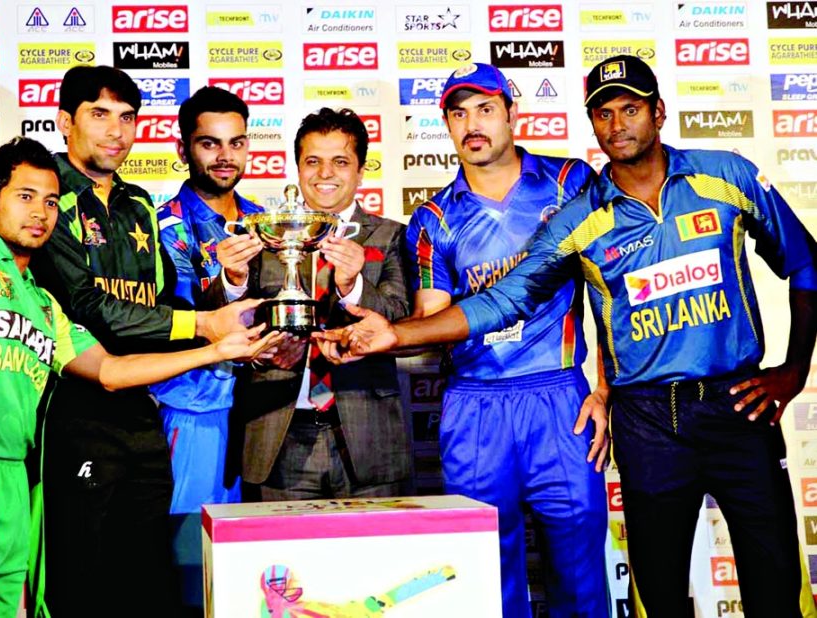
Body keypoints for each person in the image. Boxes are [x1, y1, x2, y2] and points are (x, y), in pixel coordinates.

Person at [318, 54, 817, 617]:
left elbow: (798, 265)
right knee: (606, 583)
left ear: (658, 112)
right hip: (571, 411)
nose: (618, 124)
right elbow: (502, 299)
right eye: (604, 113)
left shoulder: (656, 180)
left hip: (663, 401)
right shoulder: (504, 214)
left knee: (758, 583)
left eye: (630, 108)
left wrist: (792, 369)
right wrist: (393, 333)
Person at [0, 137, 277, 618]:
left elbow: (112, 371)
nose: (40, 212)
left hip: (16, 478)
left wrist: (215, 349)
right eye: (25, 196)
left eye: (52, 201)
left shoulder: (41, 300)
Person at [28, 66, 257, 615]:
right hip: (74, 409)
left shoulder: (136, 206)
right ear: (65, 122)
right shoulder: (49, 199)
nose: (115, 131)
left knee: (150, 578)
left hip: (141, 410)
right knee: (82, 580)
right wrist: (204, 326)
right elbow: (91, 308)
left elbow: (160, 305)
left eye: (127, 117)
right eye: (99, 115)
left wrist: (224, 304)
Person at [401, 62, 608, 617]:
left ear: (513, 113)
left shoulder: (570, 184)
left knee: (582, 570)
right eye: (459, 113)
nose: (473, 124)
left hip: (560, 397)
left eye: (486, 109)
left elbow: (616, 292)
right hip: (475, 404)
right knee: (484, 577)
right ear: (446, 124)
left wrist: (605, 391)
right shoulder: (432, 218)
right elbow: (433, 319)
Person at [216, 108, 412, 500]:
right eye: (313, 162)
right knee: (283, 562)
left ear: (360, 171)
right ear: (297, 167)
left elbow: (403, 323)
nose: (325, 174)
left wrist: (353, 285)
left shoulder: (391, 236)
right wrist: (234, 281)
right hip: (279, 434)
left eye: (340, 161)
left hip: (367, 437)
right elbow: (224, 330)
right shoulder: (265, 233)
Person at [152, 85, 264, 612]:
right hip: (194, 407)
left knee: (249, 568)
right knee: (190, 558)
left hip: (264, 413)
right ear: (183, 150)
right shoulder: (161, 224)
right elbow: (170, 319)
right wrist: (224, 277)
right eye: (210, 144)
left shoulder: (266, 219)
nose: (225, 157)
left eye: (237, 143)